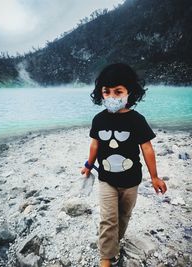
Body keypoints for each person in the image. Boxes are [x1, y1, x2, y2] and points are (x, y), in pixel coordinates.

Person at [81, 63, 167, 267]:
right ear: (100, 93)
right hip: (106, 179)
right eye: (106, 91)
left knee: (124, 216)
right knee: (108, 218)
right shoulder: (99, 119)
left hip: (131, 182)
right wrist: (88, 165)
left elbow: (147, 149)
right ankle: (106, 258)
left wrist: (154, 177)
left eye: (118, 91)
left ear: (130, 92)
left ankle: (114, 241)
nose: (112, 96)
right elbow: (95, 144)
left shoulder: (136, 120)